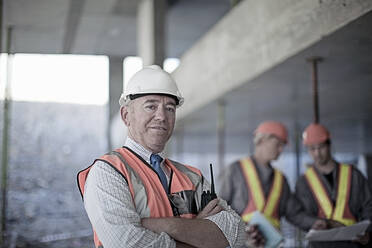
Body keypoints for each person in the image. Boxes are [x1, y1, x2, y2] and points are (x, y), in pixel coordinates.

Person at [77, 65, 246, 248]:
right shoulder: (108, 172)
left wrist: (166, 225)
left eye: (170, 109)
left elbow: (237, 233)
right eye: (151, 106)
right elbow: (128, 244)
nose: (162, 116)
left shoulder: (191, 177)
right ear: (126, 116)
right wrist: (199, 231)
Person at [219, 121, 297, 247]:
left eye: (283, 146)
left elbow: (293, 213)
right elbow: (219, 210)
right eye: (278, 144)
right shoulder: (235, 171)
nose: (281, 150)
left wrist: (314, 223)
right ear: (262, 140)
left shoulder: (281, 180)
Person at [293, 123, 372, 247]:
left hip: (351, 243)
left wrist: (367, 232)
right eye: (312, 149)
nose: (317, 153)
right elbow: (300, 215)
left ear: (329, 145)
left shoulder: (353, 175)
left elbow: (368, 206)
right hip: (319, 245)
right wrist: (316, 223)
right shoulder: (303, 182)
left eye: (321, 147)